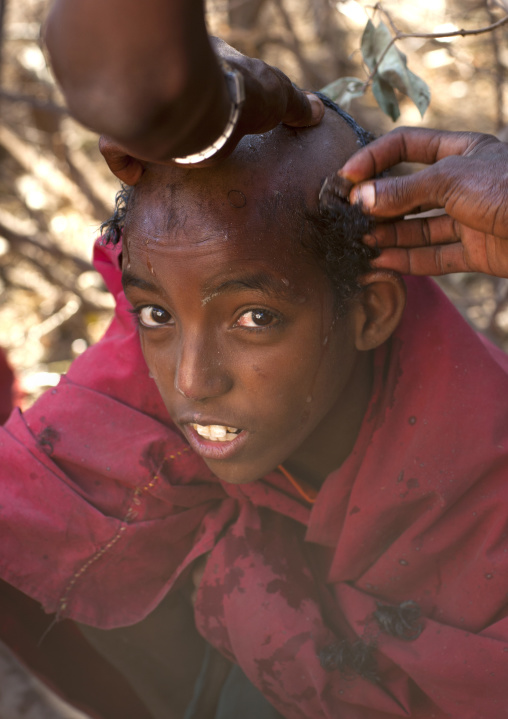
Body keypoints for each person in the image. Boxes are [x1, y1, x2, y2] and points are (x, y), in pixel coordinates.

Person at [1, 99, 508, 719]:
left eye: (255, 318)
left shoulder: (489, 500)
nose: (192, 380)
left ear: (370, 313)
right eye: (156, 315)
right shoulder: (137, 400)